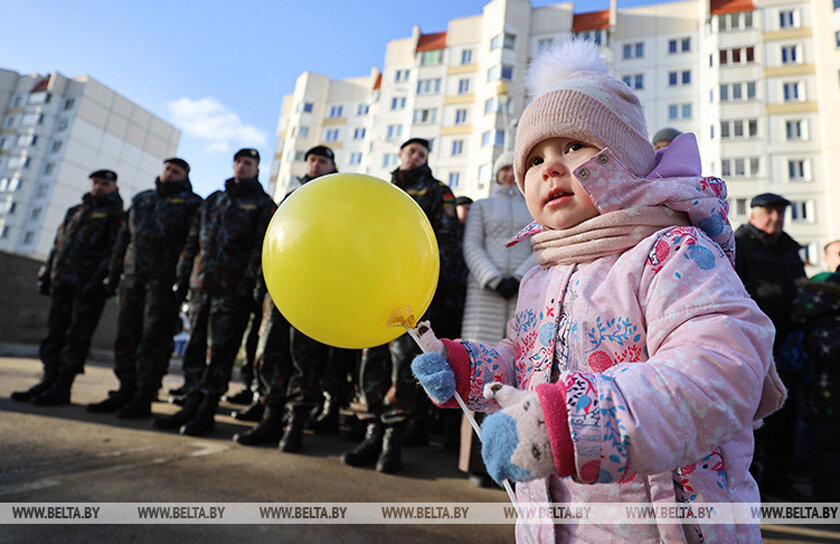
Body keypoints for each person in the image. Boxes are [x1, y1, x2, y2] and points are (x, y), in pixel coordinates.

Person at [411, 40, 784, 543]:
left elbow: (719, 366)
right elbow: (531, 363)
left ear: (625, 157)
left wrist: (571, 424)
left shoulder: (672, 251)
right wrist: (471, 369)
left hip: (667, 525)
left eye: (573, 147)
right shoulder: (542, 273)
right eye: (535, 159)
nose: (550, 168)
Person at [342, 137, 462, 474]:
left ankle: (392, 440)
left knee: (402, 366)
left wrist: (430, 293)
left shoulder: (439, 192)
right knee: (371, 360)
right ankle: (372, 433)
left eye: (422, 153)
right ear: (400, 155)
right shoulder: (381, 189)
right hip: (372, 289)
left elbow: (446, 241)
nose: (416, 156)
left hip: (410, 293)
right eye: (411, 151)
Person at [153, 148, 276, 436]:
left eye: (249, 163)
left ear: (257, 170)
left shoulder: (261, 205)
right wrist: (184, 276)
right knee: (194, 349)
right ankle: (191, 403)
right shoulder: (214, 201)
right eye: (239, 161)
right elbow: (193, 241)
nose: (242, 166)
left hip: (232, 293)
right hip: (201, 286)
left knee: (219, 353)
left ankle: (207, 409)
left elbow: (261, 252)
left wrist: (249, 286)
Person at [86, 158, 202, 418]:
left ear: (185, 175)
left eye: (176, 171)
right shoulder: (142, 200)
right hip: (132, 278)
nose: (169, 174)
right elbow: (123, 240)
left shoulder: (192, 204)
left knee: (155, 339)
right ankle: (126, 387)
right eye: (167, 169)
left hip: (163, 283)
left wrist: (182, 281)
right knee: (126, 335)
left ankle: (145, 393)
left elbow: (192, 244)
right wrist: (114, 273)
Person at [12, 170, 124, 405]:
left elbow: (114, 253)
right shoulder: (76, 211)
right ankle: (48, 380)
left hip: (87, 287)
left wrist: (99, 281)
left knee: (76, 338)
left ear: (114, 187)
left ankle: (63, 386)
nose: (98, 187)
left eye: (105, 183)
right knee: (54, 334)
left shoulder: (116, 215)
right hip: (62, 282)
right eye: (95, 182)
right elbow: (58, 245)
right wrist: (47, 274)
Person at [458, 152, 534, 488]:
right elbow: (471, 245)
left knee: (514, 378)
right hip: (485, 296)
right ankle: (475, 461)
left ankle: (511, 462)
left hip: (520, 292)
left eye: (510, 170)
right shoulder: (482, 206)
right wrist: (492, 277)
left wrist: (518, 277)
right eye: (501, 169)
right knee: (478, 373)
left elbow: (537, 242)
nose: (506, 175)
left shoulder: (531, 205)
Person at [734, 192, 806, 499]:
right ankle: (751, 482)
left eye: (781, 212)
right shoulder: (739, 243)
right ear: (753, 215)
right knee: (753, 416)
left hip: (787, 342)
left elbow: (800, 285)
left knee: (786, 414)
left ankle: (779, 480)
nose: (777, 218)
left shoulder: (789, 247)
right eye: (770, 212)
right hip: (752, 344)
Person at [787, 269, 840, 500]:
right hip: (827, 396)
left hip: (821, 396)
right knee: (827, 453)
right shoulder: (827, 318)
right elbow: (829, 354)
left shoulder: (819, 315)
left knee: (825, 451)